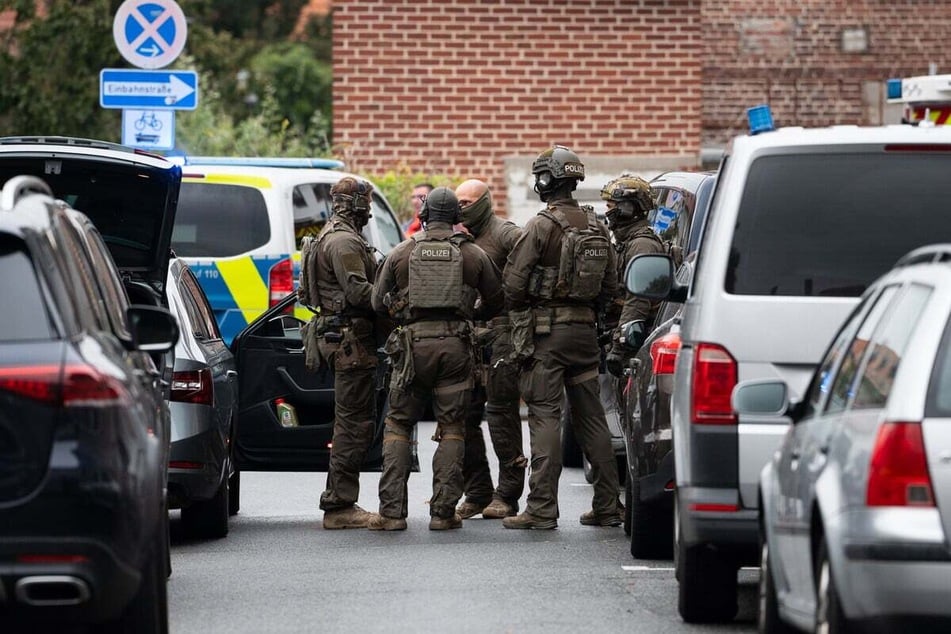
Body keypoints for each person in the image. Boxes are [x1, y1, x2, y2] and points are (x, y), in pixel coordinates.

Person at [501, 145, 623, 530]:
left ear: (544, 181)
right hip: (585, 336)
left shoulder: (541, 226)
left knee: (545, 417)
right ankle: (607, 505)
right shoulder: (597, 226)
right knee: (592, 421)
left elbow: (513, 285)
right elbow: (611, 287)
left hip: (547, 337)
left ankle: (541, 509)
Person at [369, 187, 503, 531]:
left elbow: (376, 302)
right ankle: (443, 513)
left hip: (412, 348)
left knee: (399, 425)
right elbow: (497, 300)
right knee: (453, 427)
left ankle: (392, 513)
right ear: (457, 218)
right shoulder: (473, 255)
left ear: (423, 216)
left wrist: (402, 322)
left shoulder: (401, 253)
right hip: (457, 348)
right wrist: (471, 315)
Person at [301, 176, 380, 530]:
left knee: (351, 421)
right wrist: (397, 300)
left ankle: (341, 500)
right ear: (357, 205)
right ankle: (339, 505)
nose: (370, 209)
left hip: (343, 337)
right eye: (367, 201)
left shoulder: (331, 235)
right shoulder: (345, 241)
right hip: (351, 341)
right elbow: (360, 293)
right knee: (352, 424)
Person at [453, 179, 527, 520]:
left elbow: (531, 271)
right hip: (469, 338)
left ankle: (507, 494)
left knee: (501, 414)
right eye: (458, 201)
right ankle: (478, 491)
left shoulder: (506, 234)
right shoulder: (458, 237)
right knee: (464, 415)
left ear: (486, 201)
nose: (463, 206)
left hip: (502, 336)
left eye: (469, 201)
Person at [600, 174, 666, 377]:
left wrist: (619, 348)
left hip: (633, 344)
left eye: (611, 206)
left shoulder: (642, 245)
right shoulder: (627, 242)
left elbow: (638, 300)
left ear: (627, 209)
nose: (607, 212)